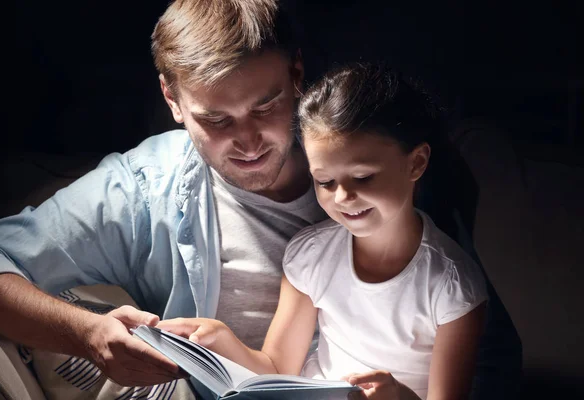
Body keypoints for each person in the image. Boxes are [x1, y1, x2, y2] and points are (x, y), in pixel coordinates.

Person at [0, 0, 520, 398]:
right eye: (216, 119)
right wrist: (88, 334)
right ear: (172, 98)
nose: (248, 141)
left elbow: (489, 356)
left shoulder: (384, 162)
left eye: (266, 106)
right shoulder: (144, 186)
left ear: (296, 74)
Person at [157, 62, 489, 400]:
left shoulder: (451, 285)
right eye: (325, 182)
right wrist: (221, 339)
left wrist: (401, 396)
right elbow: (276, 369)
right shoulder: (311, 255)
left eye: (363, 177)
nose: (343, 197)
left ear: (415, 163)